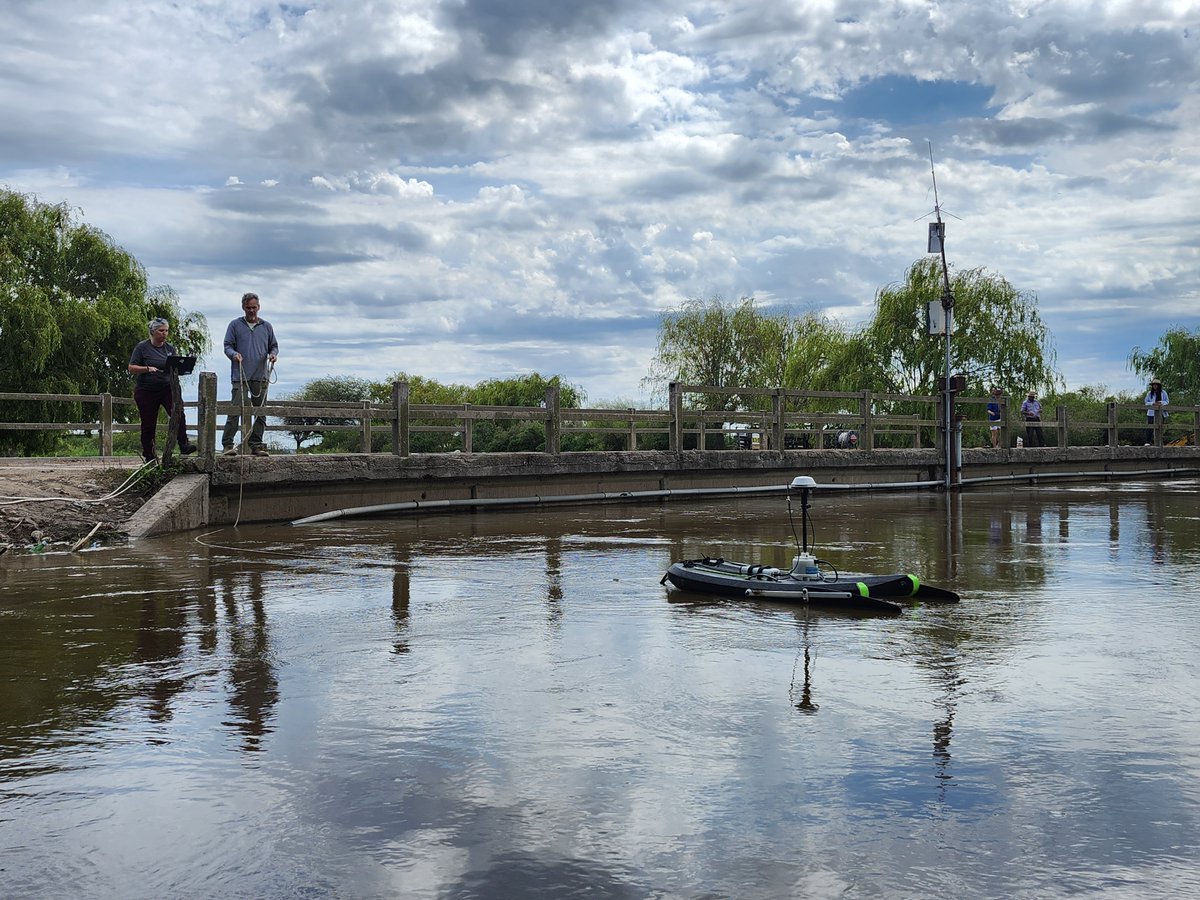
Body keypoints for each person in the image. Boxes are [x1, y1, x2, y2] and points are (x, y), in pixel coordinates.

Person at [128, 318, 196, 463]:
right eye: (161, 331)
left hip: (166, 388)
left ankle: (183, 443)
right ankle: (150, 455)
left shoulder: (170, 349)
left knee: (178, 412)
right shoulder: (142, 348)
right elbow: (131, 367)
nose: (164, 334)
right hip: (146, 390)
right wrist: (147, 368)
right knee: (148, 423)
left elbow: (174, 366)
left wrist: (183, 368)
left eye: (166, 331)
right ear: (153, 332)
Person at [221, 292, 278, 457]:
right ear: (243, 308)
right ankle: (228, 445)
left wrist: (273, 355)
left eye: (254, 307)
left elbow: (273, 346)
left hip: (261, 376)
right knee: (236, 409)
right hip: (240, 375)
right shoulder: (235, 325)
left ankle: (257, 445)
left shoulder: (266, 326)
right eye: (248, 308)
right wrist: (233, 354)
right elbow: (227, 346)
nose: (251, 311)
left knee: (261, 412)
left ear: (259, 307)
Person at [1144, 376, 1169, 445]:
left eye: (1156, 385)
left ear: (1159, 385)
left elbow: (1167, 401)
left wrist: (1161, 403)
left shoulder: (1163, 393)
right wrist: (1153, 403)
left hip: (1161, 413)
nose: (1155, 386)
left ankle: (1159, 442)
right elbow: (1146, 402)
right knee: (1150, 427)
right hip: (1151, 413)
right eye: (1153, 385)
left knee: (1160, 427)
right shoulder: (1149, 393)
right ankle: (1147, 442)